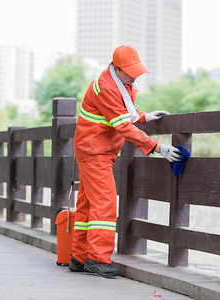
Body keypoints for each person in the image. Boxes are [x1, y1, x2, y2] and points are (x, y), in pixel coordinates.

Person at [69, 45, 182, 278]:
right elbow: (122, 126)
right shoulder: (107, 87)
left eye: (136, 71)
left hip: (95, 149)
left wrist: (145, 116)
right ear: (117, 68)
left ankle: (79, 257)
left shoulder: (122, 82)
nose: (135, 76)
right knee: (105, 202)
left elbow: (123, 113)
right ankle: (97, 259)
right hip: (95, 151)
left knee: (88, 204)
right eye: (130, 72)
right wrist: (158, 147)